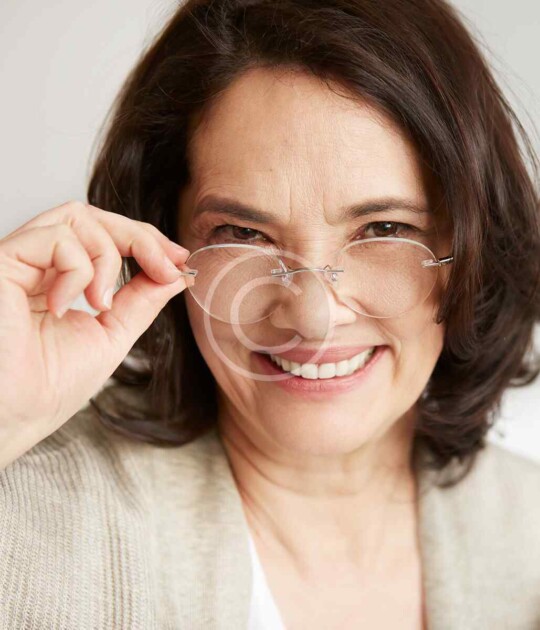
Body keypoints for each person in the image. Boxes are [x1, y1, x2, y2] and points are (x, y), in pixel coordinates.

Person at [1, 0, 539, 628]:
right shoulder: (35, 521)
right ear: (158, 235)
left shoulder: (528, 529)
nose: (312, 317)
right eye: (244, 234)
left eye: (384, 229)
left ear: (475, 245)